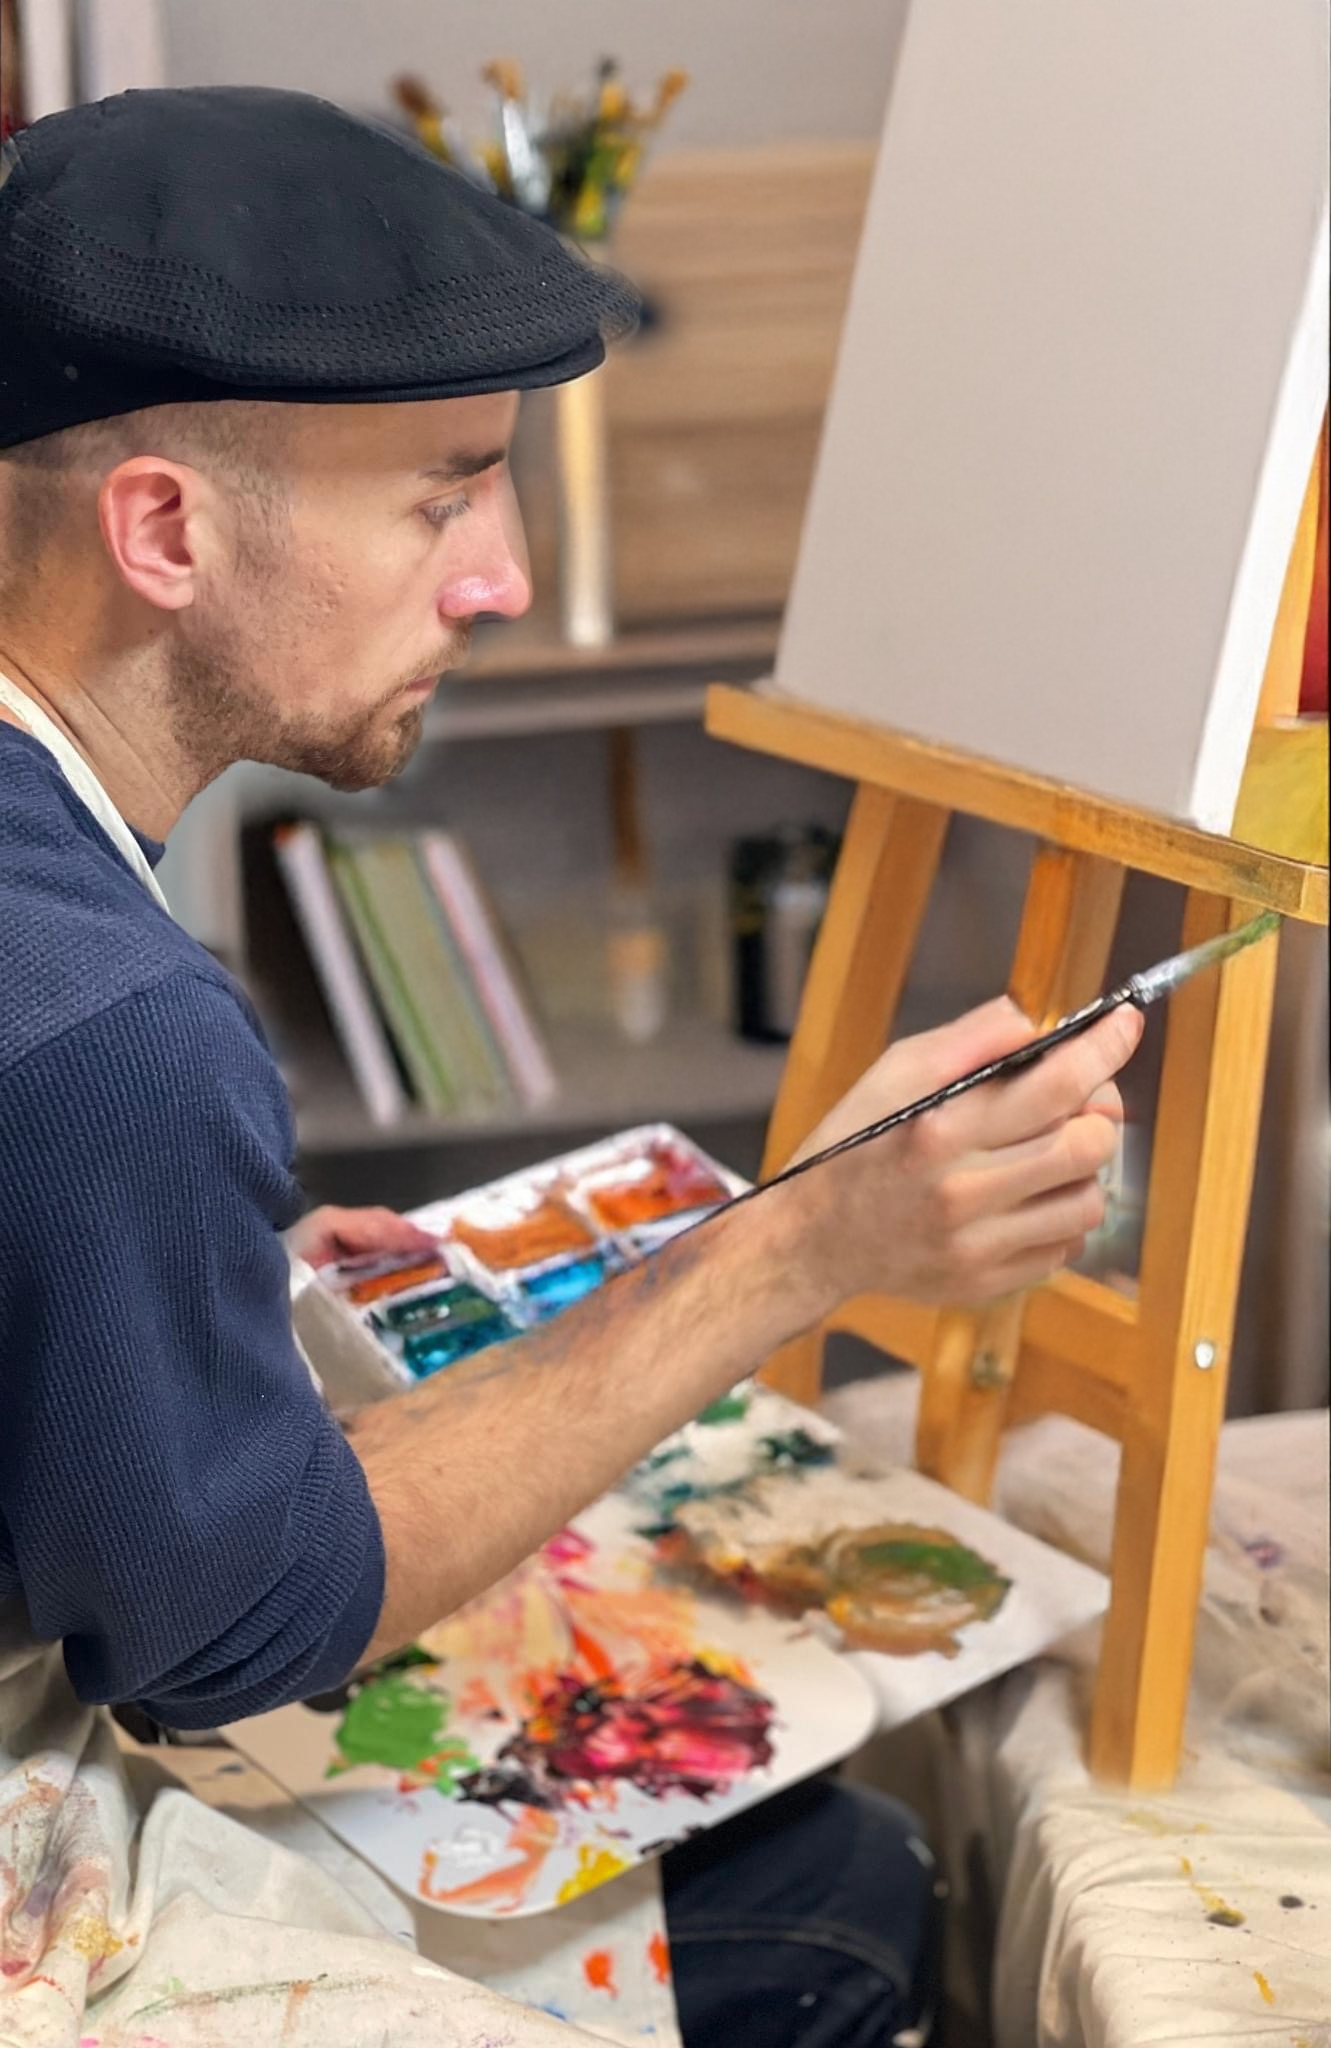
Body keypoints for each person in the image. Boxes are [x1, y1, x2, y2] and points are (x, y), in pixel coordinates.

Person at [0, 87, 1140, 2048]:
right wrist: (801, 1245)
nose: (501, 576)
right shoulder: (111, 1029)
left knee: (804, 1868)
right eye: (443, 493)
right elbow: (230, 1628)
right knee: (839, 1915)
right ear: (164, 527)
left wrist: (198, 1298)